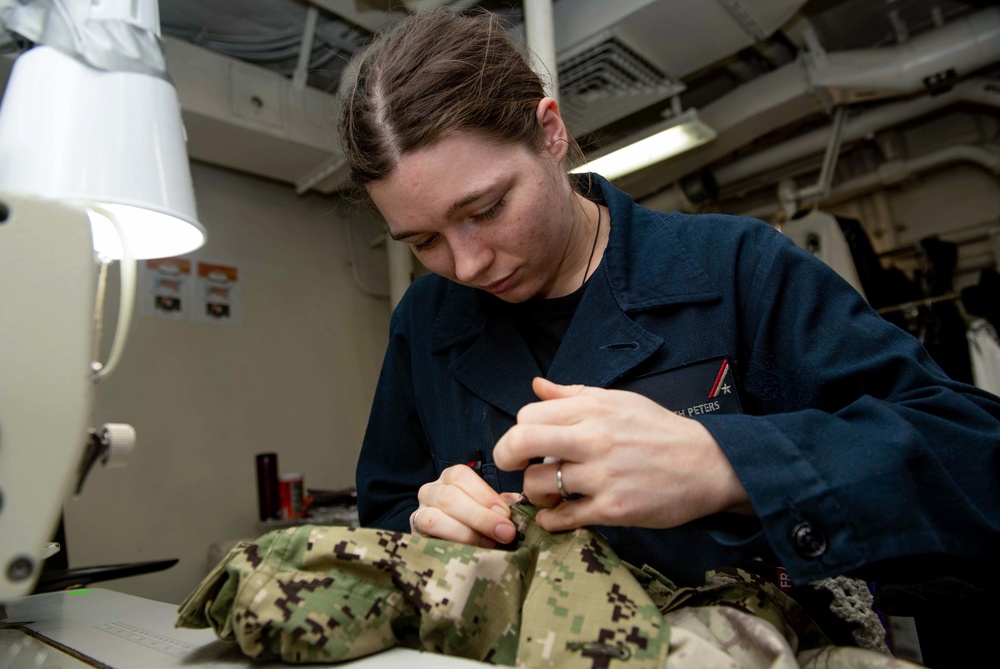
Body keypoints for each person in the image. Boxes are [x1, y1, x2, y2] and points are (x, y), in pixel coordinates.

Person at [341, 8, 1000, 593]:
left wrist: (727, 463)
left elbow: (972, 458)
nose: (467, 263)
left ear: (550, 134)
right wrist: (430, 527)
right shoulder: (425, 322)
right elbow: (390, 511)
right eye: (423, 240)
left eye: (486, 208)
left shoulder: (737, 268)